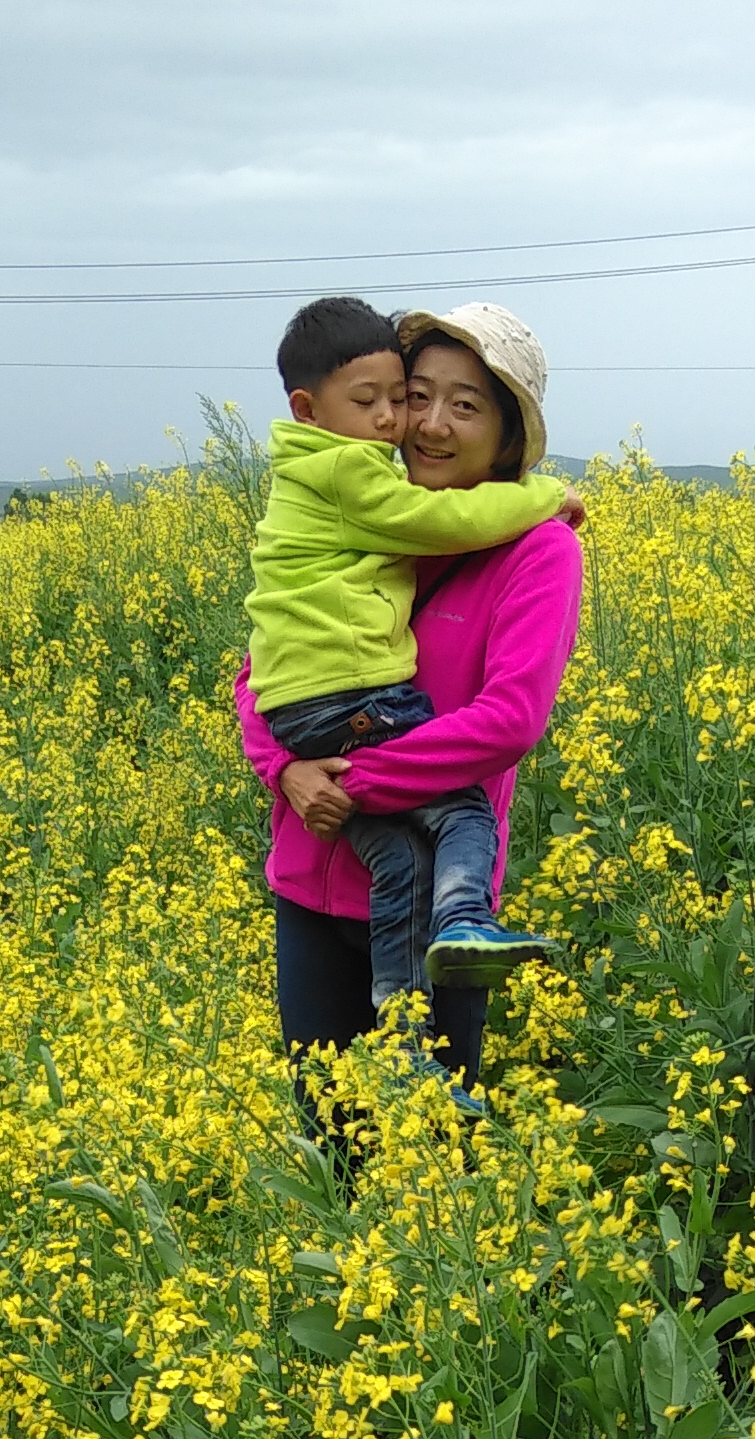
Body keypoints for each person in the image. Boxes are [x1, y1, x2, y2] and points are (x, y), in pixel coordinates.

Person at [237, 302, 586, 1103]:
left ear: (506, 437)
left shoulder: (540, 549)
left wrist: (348, 783)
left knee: (428, 1161)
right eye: (412, 395)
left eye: (463, 406)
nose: (423, 424)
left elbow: (509, 721)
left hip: (438, 914)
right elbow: (262, 668)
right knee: (331, 1138)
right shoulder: (367, 519)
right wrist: (284, 769)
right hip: (309, 884)